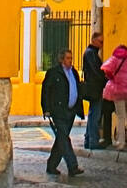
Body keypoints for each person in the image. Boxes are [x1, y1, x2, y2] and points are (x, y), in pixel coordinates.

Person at [41, 48, 85, 178]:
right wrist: (46, 109)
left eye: (71, 58)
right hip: (58, 111)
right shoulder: (54, 73)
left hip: (70, 111)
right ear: (61, 59)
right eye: (67, 58)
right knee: (64, 139)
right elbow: (46, 91)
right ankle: (73, 166)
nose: (70, 61)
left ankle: (51, 165)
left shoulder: (74, 73)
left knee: (61, 139)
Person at [81, 31, 112, 152]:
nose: (102, 44)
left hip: (94, 87)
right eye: (100, 42)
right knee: (95, 114)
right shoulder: (91, 54)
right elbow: (96, 71)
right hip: (95, 88)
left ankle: (89, 139)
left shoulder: (91, 53)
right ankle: (93, 140)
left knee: (93, 113)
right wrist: (105, 79)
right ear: (94, 40)